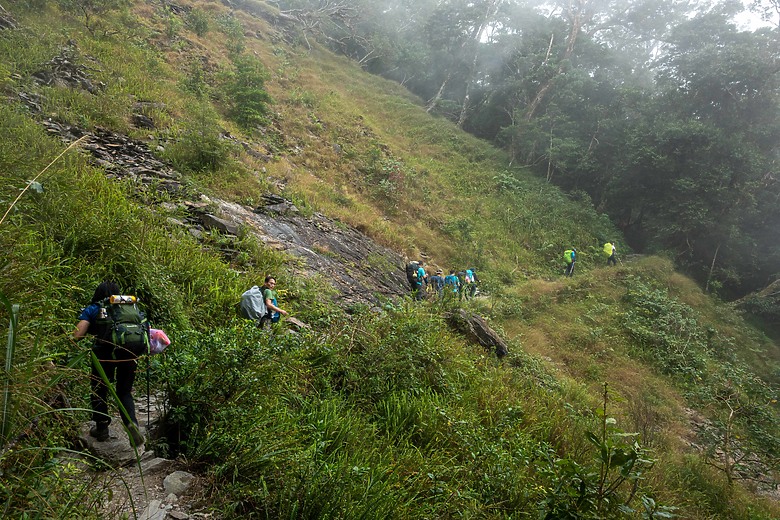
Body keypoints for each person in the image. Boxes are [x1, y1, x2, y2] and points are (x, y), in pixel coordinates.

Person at [73, 281, 144, 447]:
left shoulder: (95, 308)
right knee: (124, 391)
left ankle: (102, 428)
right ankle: (131, 423)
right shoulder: (130, 307)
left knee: (99, 390)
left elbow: (77, 335)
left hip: (104, 355)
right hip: (130, 353)